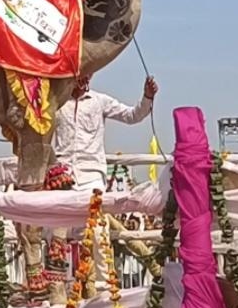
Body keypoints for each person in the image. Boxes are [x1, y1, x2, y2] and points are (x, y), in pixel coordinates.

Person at [44, 73, 158, 291]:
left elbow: (132, 115)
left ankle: (104, 289)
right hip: (62, 174)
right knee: (54, 233)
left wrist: (147, 97)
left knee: (97, 231)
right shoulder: (56, 103)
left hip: (91, 175)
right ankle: (56, 288)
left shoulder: (99, 101)